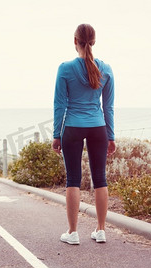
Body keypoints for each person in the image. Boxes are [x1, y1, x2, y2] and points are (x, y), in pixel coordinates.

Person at [52, 24, 116, 245]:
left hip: (73, 128)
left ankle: (73, 232)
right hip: (98, 128)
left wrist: (56, 134)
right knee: (100, 179)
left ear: (75, 41)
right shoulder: (106, 69)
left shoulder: (65, 68)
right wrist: (111, 136)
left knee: (73, 180)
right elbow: (108, 107)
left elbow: (59, 105)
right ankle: (100, 230)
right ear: (94, 42)